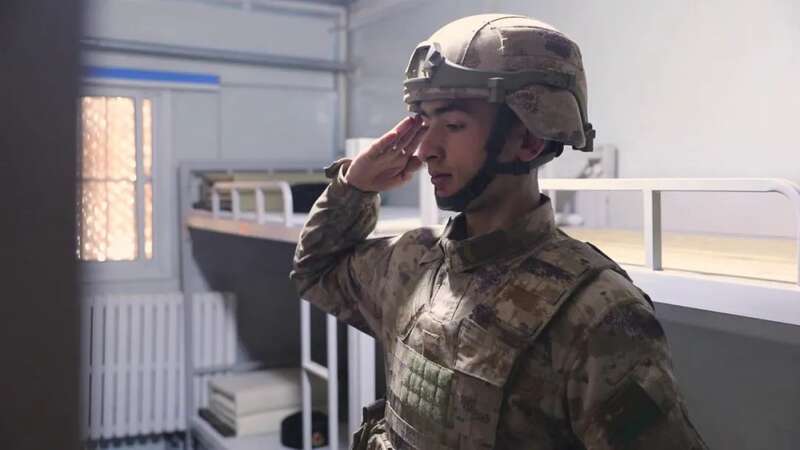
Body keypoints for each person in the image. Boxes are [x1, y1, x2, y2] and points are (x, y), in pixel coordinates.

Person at [291, 13, 707, 450]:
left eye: (453, 125)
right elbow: (315, 271)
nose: (426, 149)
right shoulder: (411, 261)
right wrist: (354, 187)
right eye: (423, 122)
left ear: (528, 141)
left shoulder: (597, 314)